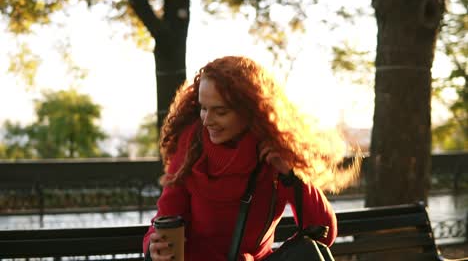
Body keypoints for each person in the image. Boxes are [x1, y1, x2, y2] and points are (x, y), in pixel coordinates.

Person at [143, 56, 360, 261]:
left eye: (220, 111)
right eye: (203, 108)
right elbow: (166, 219)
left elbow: (323, 233)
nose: (207, 120)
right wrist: (153, 247)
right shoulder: (189, 149)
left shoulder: (275, 155)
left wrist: (293, 175)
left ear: (251, 110)